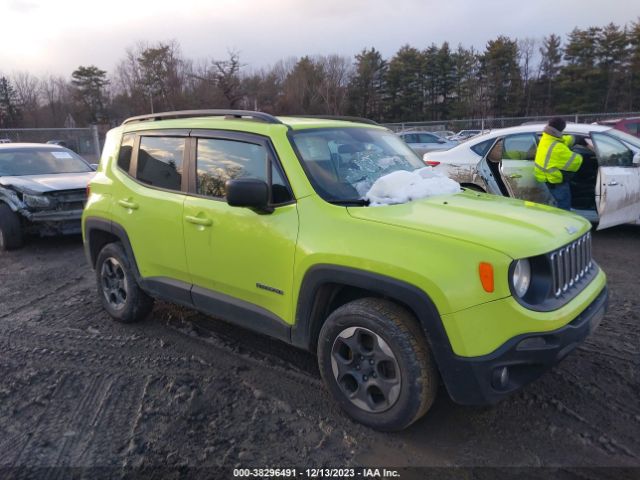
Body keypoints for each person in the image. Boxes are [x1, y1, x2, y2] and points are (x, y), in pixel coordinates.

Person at [534, 117, 583, 210]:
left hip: (545, 179)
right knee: (563, 207)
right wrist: (579, 154)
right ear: (560, 129)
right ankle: (565, 222)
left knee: (554, 206)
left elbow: (562, 140)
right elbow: (576, 161)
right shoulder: (557, 147)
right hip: (555, 182)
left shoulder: (546, 138)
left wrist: (575, 139)